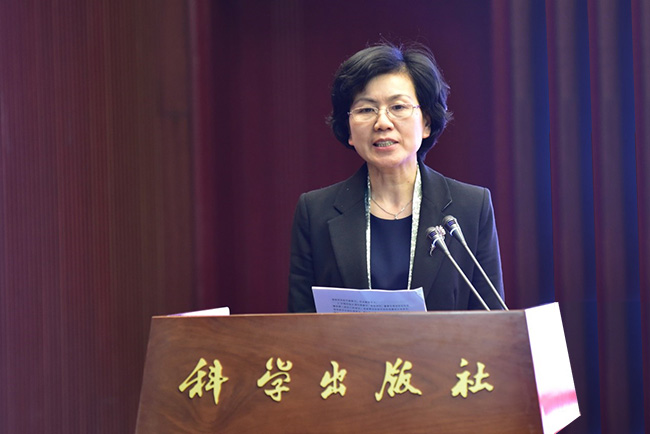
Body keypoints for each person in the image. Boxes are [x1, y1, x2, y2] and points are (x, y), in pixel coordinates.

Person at [288, 42, 504, 312]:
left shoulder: (470, 207)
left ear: (426, 122)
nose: (382, 122)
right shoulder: (315, 212)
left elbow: (492, 319)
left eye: (398, 107)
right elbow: (299, 322)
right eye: (366, 110)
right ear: (349, 130)